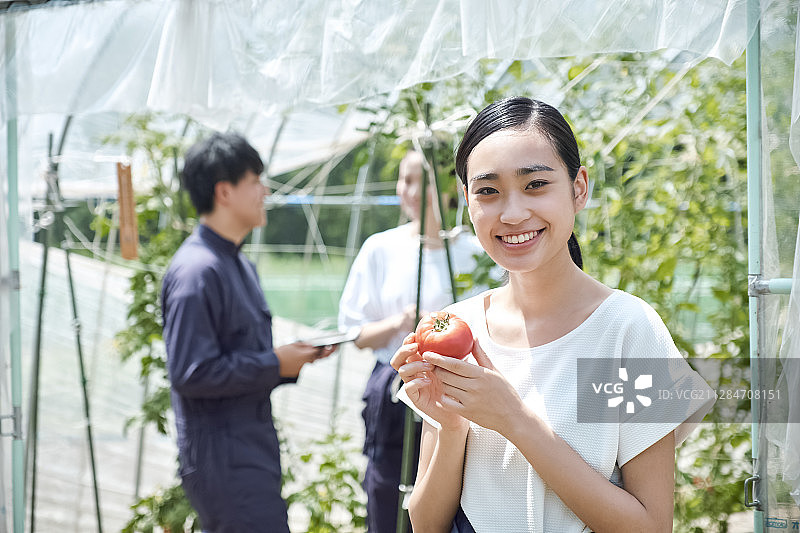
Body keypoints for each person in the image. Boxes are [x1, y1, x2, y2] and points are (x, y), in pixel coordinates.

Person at [390, 97, 715, 532]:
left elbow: (651, 526)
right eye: (488, 191)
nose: (512, 213)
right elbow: (427, 524)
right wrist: (453, 426)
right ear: (467, 200)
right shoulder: (458, 330)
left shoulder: (623, 330)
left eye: (536, 184)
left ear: (579, 188)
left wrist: (514, 420)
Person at [161, 131, 336, 533]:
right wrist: (274, 363)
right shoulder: (197, 273)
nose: (265, 191)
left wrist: (290, 358)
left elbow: (240, 355)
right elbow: (191, 373)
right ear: (224, 192)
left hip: (250, 448)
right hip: (223, 458)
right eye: (255, 181)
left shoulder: (237, 264)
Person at [338, 150, 488, 533]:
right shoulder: (381, 248)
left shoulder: (476, 252)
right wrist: (402, 323)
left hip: (458, 389)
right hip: (396, 384)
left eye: (422, 180)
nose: (411, 191)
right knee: (388, 488)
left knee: (458, 489)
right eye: (405, 180)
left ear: (450, 186)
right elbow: (355, 333)